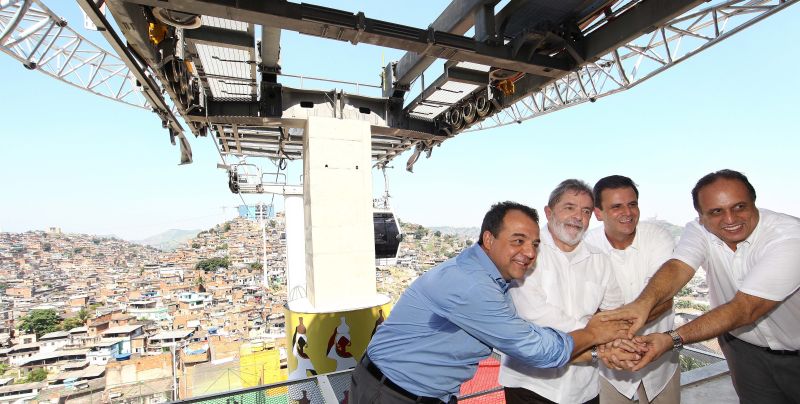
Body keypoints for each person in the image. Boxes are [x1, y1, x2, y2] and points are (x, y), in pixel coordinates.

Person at [349, 201, 631, 404]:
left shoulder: (493, 283)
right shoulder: (471, 285)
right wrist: (595, 333)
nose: (529, 252)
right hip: (392, 394)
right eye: (518, 241)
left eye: (534, 244)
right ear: (488, 238)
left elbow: (528, 337)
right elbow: (537, 349)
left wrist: (598, 353)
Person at [602, 169, 800, 403]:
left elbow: (746, 308)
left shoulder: (789, 236)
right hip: (743, 351)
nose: (730, 219)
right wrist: (641, 306)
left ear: (754, 202)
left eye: (739, 207)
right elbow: (678, 267)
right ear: (701, 215)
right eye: (716, 211)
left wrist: (671, 338)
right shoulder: (699, 230)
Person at [498, 179, 628, 404]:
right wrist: (598, 337)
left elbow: (615, 312)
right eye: (569, 208)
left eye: (586, 211)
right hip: (531, 385)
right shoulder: (525, 253)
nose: (578, 217)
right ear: (549, 213)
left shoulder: (600, 261)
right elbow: (535, 315)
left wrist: (614, 336)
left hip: (584, 388)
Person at [584, 175, 680, 404]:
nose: (627, 212)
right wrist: (622, 335)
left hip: (660, 358)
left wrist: (616, 329)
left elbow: (665, 297)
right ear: (598, 213)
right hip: (610, 364)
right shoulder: (586, 247)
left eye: (632, 204)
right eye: (616, 206)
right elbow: (588, 308)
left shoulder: (658, 236)